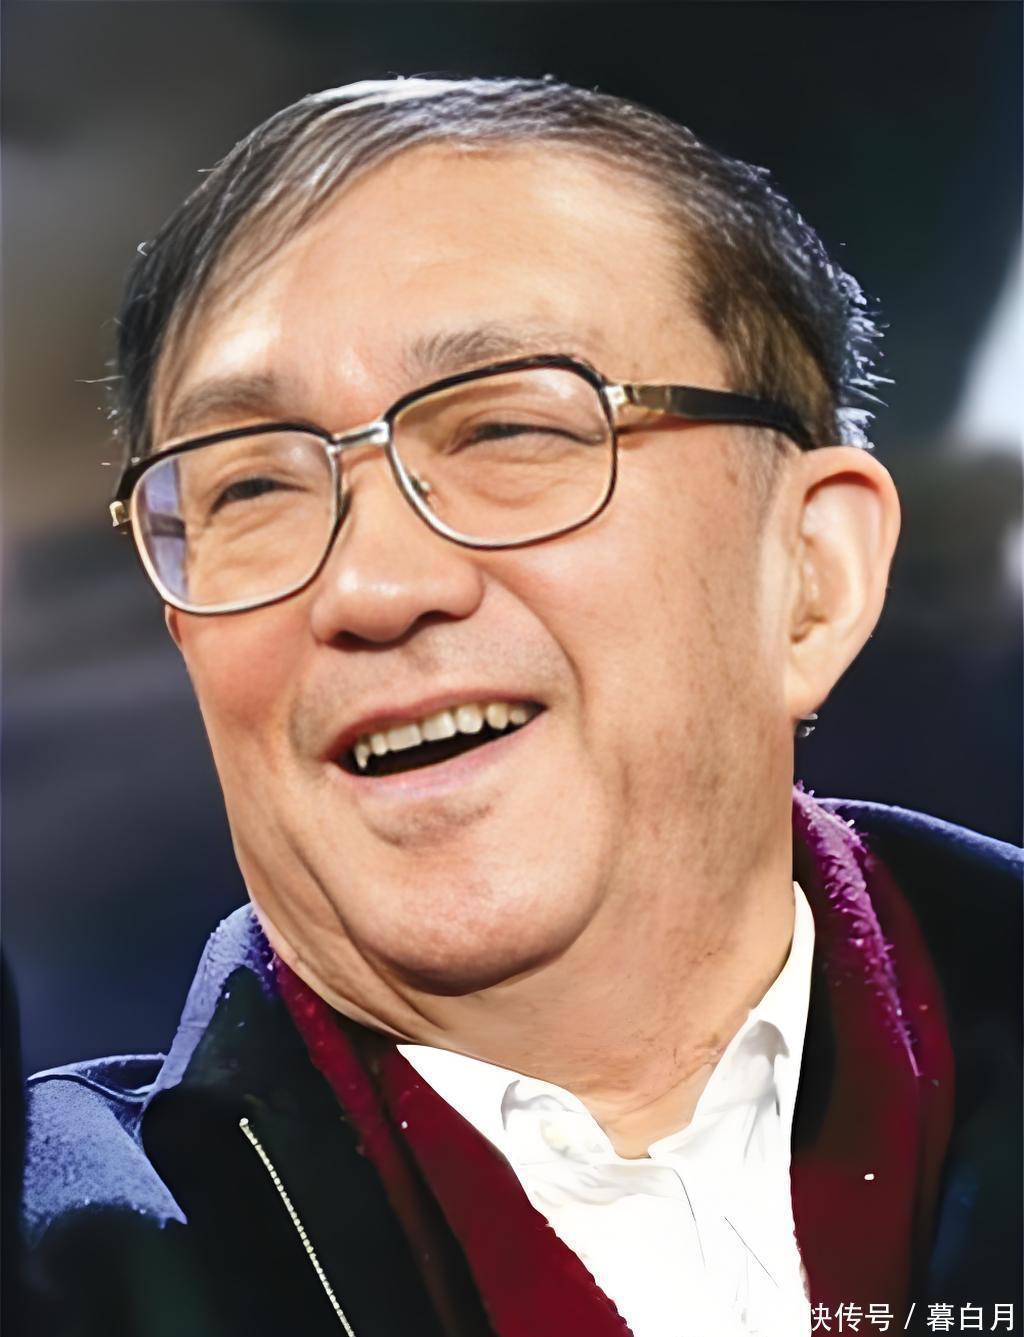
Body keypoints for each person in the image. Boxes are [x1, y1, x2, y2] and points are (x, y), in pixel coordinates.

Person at [19, 76, 1021, 1337]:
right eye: (250, 488)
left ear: (811, 575)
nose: (373, 586)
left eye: (506, 429)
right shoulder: (68, 1269)